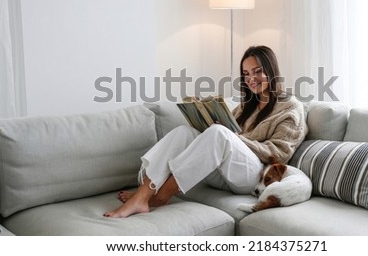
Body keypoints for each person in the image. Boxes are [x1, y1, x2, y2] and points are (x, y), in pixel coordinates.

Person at [104, 45, 307, 218]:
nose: (251, 79)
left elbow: (280, 154)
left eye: (257, 71)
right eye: (246, 74)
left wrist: (234, 138)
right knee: (184, 132)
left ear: (271, 71)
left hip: (255, 176)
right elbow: (228, 135)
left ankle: (161, 197)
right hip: (226, 171)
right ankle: (143, 194)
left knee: (219, 133)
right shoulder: (247, 105)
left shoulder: (290, 107)